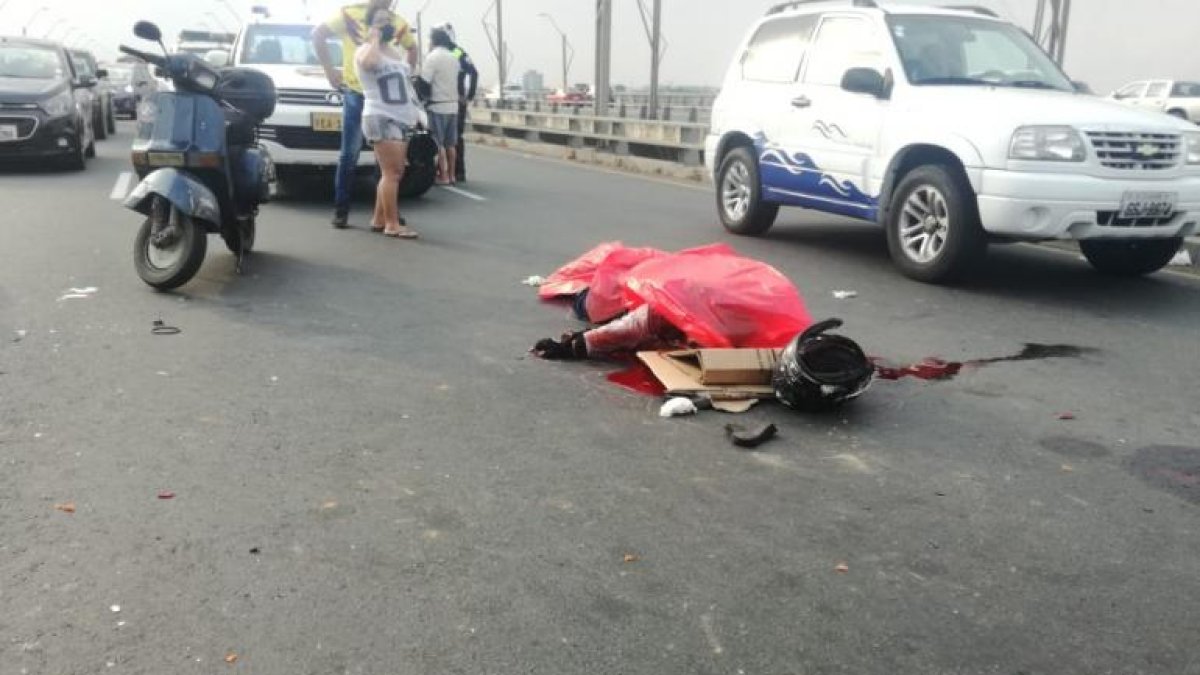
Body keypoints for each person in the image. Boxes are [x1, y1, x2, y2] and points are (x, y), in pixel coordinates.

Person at [312, 0, 418, 229]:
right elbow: (319, 34)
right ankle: (341, 210)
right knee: (349, 154)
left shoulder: (398, 22)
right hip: (355, 92)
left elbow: (412, 47)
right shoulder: (349, 14)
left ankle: (387, 215)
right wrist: (330, 71)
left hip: (387, 102)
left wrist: (405, 77)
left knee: (389, 165)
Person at [355, 6, 421, 239]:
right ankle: (392, 224)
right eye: (380, 21)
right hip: (381, 116)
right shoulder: (365, 50)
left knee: (394, 171)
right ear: (370, 25)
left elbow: (408, 74)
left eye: (388, 20)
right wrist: (373, 39)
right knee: (391, 173)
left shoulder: (393, 51)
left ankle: (379, 218)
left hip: (400, 117)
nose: (386, 24)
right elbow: (369, 64)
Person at [436, 23, 479, 182]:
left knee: (448, 138)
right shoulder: (444, 51)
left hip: (447, 101)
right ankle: (449, 172)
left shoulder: (454, 51)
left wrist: (468, 96)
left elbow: (473, 73)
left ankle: (456, 172)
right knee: (450, 138)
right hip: (449, 100)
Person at [421, 28, 461, 185]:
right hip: (453, 106)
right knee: (451, 144)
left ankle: (442, 176)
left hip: (437, 105)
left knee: (439, 143)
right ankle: (452, 175)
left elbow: (425, 82)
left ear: (434, 41)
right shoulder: (454, 57)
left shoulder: (432, 57)